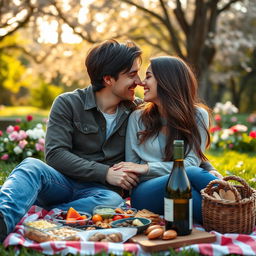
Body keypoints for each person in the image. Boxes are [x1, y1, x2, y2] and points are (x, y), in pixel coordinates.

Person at [0, 39, 143, 242]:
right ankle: (3, 219)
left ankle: (47, 217)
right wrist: (106, 173)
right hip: (60, 182)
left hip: (101, 194)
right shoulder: (68, 103)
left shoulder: (137, 111)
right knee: (31, 166)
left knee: (113, 201)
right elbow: (55, 155)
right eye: (132, 74)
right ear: (109, 79)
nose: (139, 81)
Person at [113, 56, 222, 224]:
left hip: (184, 187)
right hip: (146, 193)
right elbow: (132, 170)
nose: (142, 82)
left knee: (191, 191)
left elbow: (192, 161)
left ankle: (226, 215)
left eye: (148, 76)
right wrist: (142, 170)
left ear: (166, 80)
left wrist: (147, 167)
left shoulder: (199, 116)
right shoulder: (137, 118)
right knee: (191, 173)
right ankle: (235, 204)